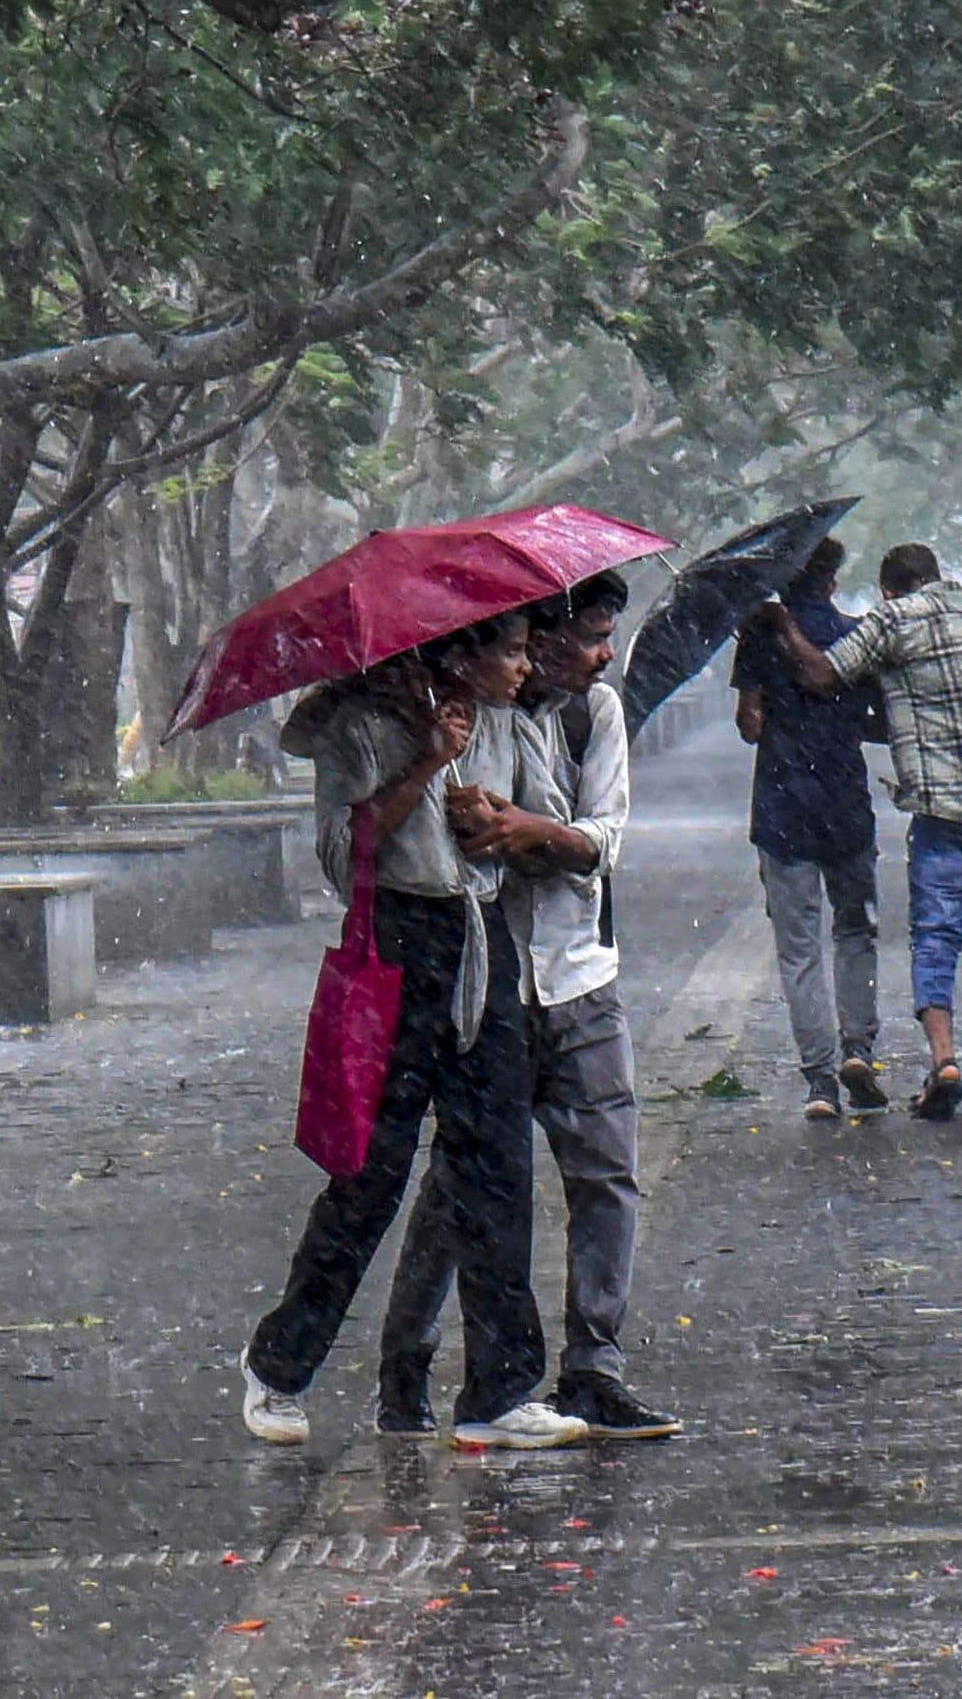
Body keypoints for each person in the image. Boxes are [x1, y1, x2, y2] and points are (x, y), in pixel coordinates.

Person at [240, 613, 588, 1452]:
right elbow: (344, 853)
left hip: (481, 941)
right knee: (372, 1178)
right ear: (456, 656)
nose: (523, 665)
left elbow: (549, 837)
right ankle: (280, 1367)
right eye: (507, 651)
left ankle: (500, 1391)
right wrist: (428, 759)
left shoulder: (509, 724)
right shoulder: (358, 726)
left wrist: (499, 825)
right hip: (398, 949)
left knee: (495, 1167)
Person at [379, 573, 683, 1442]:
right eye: (587, 635)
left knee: (606, 1175)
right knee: (462, 1185)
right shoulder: (466, 717)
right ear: (531, 638)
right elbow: (443, 845)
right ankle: (407, 1362)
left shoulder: (598, 715)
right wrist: (490, 823)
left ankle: (594, 1366)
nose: (601, 654)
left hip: (583, 977)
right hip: (490, 986)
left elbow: (602, 841)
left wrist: (535, 834)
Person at [759, 542, 962, 1121]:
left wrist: (782, 623)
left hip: (944, 814)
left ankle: (943, 1061)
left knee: (936, 936)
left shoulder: (892, 620)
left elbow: (819, 673)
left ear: (889, 590)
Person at [730, 538, 889, 1120]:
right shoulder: (859, 634)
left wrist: (771, 697)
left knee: (798, 949)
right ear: (831, 581)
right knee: (856, 932)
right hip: (845, 802)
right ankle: (860, 1050)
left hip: (782, 808)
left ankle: (820, 1081)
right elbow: (880, 722)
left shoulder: (757, 637)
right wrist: (838, 722)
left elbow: (749, 725)